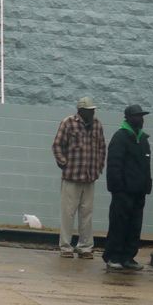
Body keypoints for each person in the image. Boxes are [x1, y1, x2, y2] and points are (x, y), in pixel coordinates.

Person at [51, 97, 106, 259]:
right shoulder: (68, 123)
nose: (93, 112)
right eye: (90, 110)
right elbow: (57, 145)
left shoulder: (97, 125)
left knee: (87, 213)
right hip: (71, 176)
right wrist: (64, 163)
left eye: (93, 110)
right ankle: (66, 247)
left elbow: (102, 147)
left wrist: (99, 167)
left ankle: (85, 247)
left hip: (90, 177)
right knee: (68, 213)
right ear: (81, 110)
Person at [103, 104, 153, 271]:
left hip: (139, 192)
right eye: (138, 116)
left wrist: (147, 185)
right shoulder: (120, 137)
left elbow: (147, 165)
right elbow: (114, 164)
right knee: (119, 224)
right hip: (123, 192)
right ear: (129, 118)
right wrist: (117, 188)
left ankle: (128, 257)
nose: (141, 119)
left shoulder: (144, 139)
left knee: (134, 226)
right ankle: (113, 256)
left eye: (142, 116)